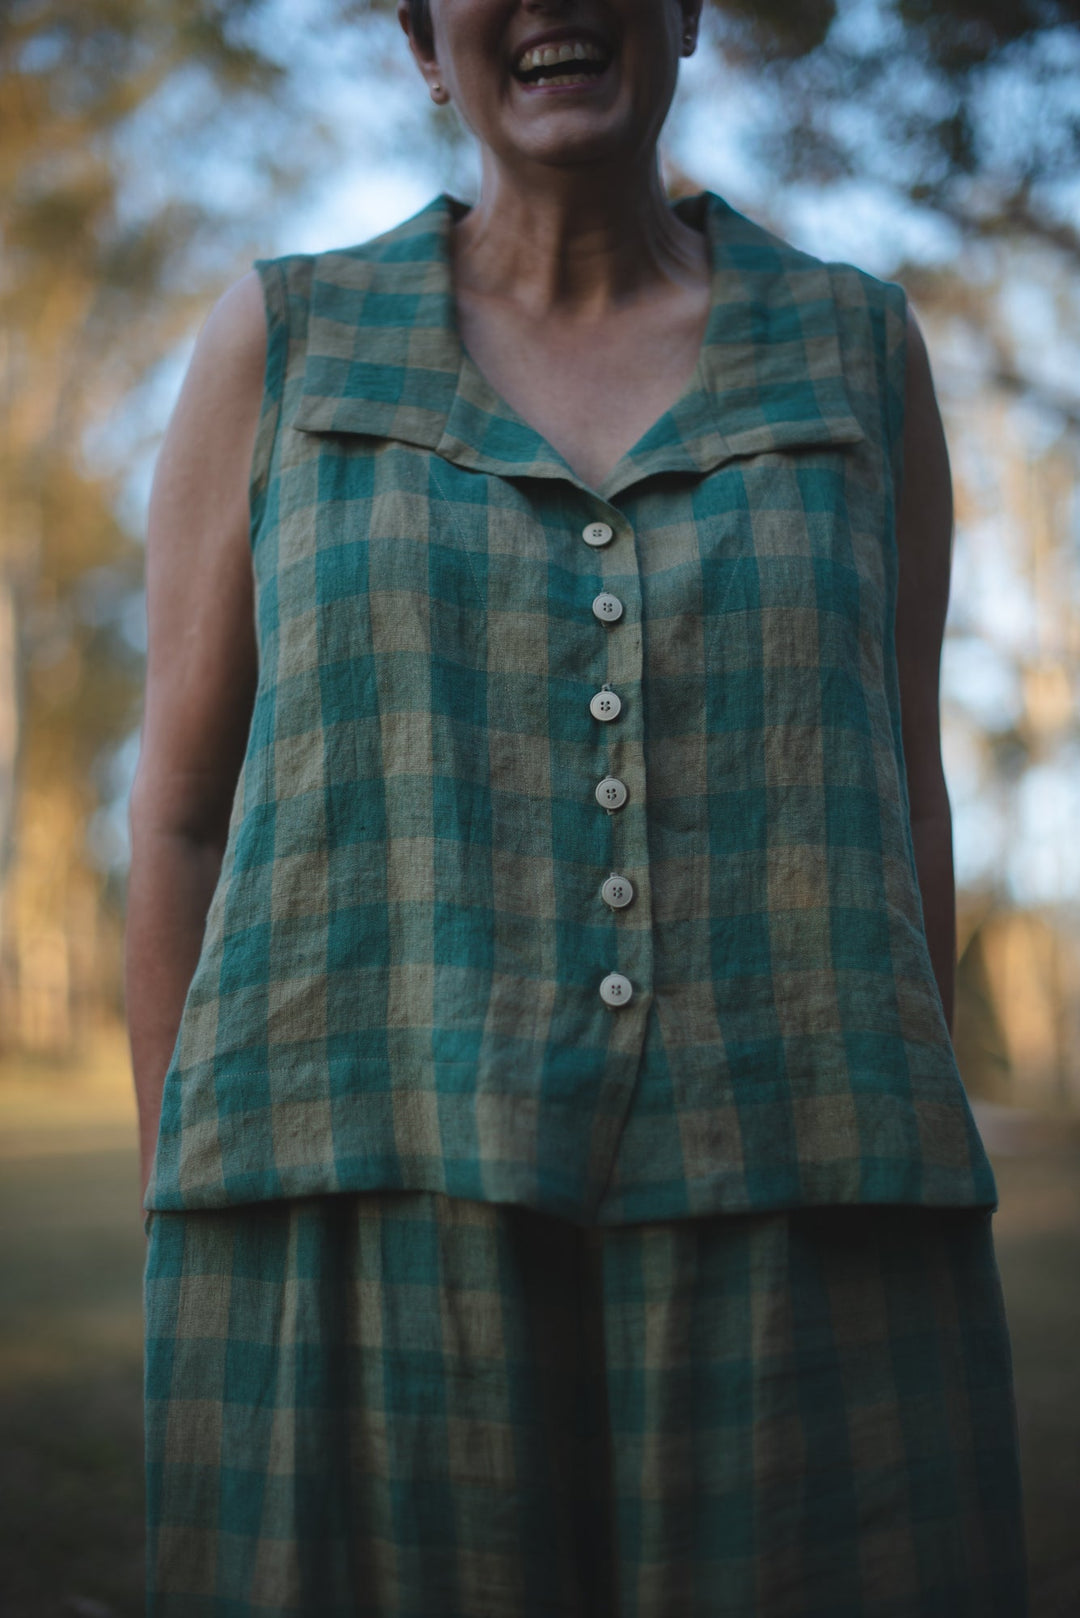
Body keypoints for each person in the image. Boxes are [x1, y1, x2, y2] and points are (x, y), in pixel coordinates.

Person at [126, 1, 1028, 1613]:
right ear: (422, 38)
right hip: (358, 1221)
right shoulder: (285, 342)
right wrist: (180, 1217)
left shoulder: (852, 348)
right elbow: (183, 818)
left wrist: (865, 1148)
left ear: (686, 11)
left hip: (796, 1225)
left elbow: (903, 794)